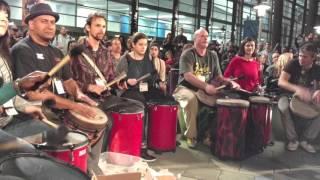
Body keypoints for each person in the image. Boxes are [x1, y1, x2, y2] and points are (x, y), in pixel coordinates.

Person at [10, 3, 101, 174]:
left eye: (52, 22)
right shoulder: (22, 50)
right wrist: (74, 106)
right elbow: (33, 94)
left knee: (99, 122)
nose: (50, 26)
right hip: (37, 113)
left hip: (61, 110)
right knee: (72, 140)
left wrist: (81, 96)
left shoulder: (57, 53)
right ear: (31, 24)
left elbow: (68, 81)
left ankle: (87, 170)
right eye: (44, 21)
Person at [172, 28, 239, 148]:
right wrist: (206, 86)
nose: (206, 38)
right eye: (202, 36)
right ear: (195, 39)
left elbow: (218, 76)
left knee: (222, 101)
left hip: (203, 90)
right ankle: (191, 136)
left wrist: (228, 82)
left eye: (207, 36)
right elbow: (188, 76)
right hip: (185, 88)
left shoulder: (213, 55)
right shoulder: (188, 54)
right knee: (191, 99)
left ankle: (208, 134)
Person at [116, 32, 167, 161]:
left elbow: (152, 77)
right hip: (129, 92)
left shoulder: (148, 58)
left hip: (145, 89)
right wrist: (127, 81)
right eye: (140, 45)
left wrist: (159, 83)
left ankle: (159, 141)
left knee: (166, 100)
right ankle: (142, 147)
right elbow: (117, 80)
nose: (143, 47)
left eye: (145, 45)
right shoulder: (126, 59)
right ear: (133, 45)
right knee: (142, 104)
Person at [278, 42, 320, 153]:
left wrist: (318, 91)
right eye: (300, 55)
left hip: (308, 98)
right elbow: (281, 82)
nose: (301, 58)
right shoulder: (292, 64)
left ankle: (306, 140)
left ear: (313, 57)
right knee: (283, 107)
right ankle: (293, 140)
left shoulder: (317, 69)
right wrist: (297, 89)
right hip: (287, 95)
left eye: (305, 56)